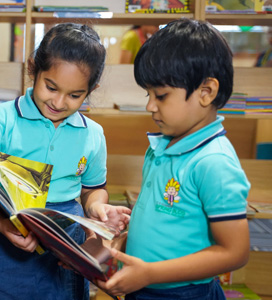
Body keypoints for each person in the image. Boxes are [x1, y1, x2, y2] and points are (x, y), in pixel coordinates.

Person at [0, 23, 131, 300]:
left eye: (75, 95)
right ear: (32, 70)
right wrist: (3, 225)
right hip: (1, 240)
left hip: (63, 248)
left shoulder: (93, 134)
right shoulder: (0, 119)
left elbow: (92, 188)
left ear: (91, 89)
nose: (60, 102)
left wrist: (97, 207)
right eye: (51, 87)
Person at [97, 18, 251, 299]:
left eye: (161, 96)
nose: (150, 106)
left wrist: (151, 273)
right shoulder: (162, 146)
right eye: (148, 94)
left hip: (185, 294)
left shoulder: (213, 162)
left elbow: (235, 252)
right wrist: (127, 242)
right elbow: (168, 223)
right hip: (144, 287)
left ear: (206, 92)